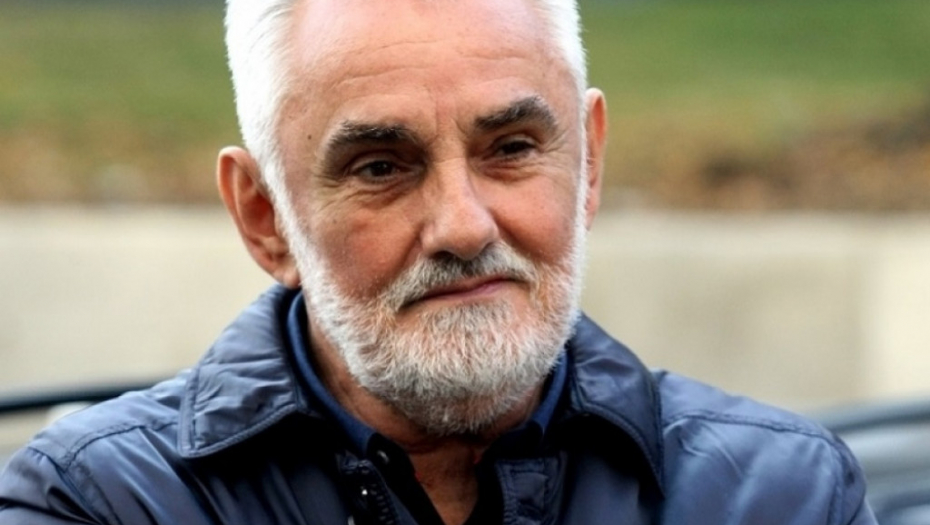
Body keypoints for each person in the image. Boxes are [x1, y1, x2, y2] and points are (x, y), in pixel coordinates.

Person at [0, 0, 876, 523]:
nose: (462, 225)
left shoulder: (781, 495)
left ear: (588, 165)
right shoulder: (105, 500)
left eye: (512, 148)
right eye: (380, 167)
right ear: (265, 218)